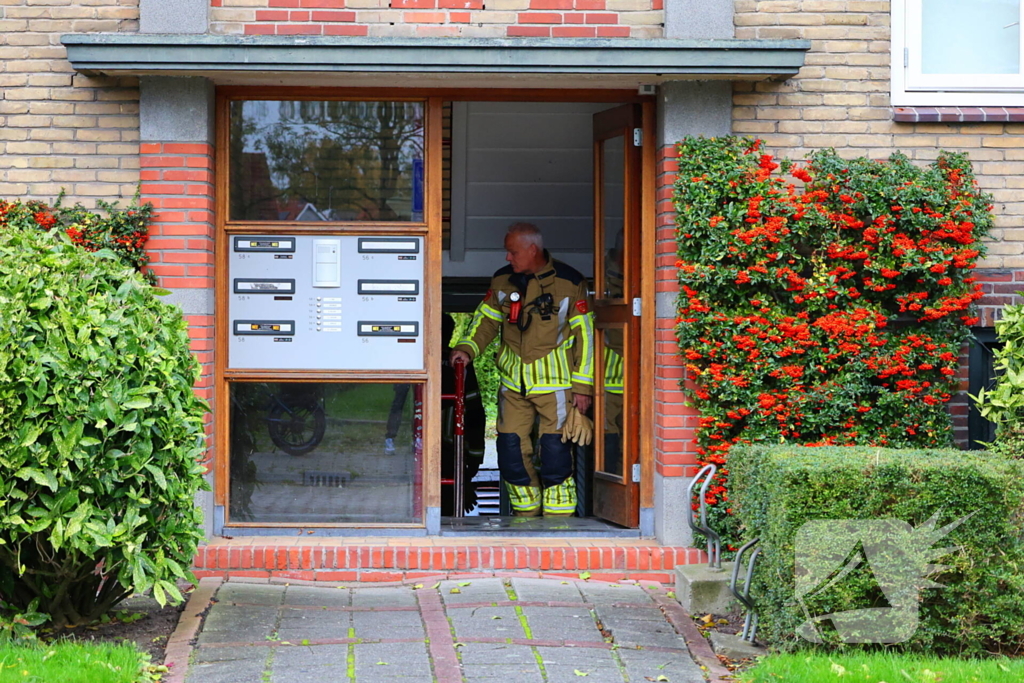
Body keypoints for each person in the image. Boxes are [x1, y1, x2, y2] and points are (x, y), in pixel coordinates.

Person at [450, 223, 595, 517]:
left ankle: (559, 526)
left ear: (533, 250)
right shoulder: (503, 281)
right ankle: (525, 520)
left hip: (556, 386)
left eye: (513, 251)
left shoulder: (570, 282)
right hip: (512, 387)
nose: (507, 258)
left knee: (556, 456)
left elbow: (587, 337)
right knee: (510, 454)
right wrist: (466, 349)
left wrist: (582, 388)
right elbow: (486, 321)